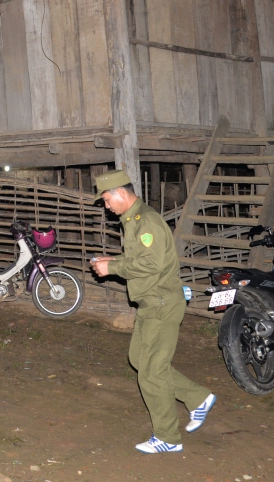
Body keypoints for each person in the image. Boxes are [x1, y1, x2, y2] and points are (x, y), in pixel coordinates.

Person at [90, 169, 214, 454]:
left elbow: (153, 265)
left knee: (151, 373)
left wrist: (113, 268)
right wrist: (114, 259)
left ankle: (168, 437)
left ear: (121, 192)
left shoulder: (146, 221)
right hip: (152, 303)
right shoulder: (134, 219)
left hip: (161, 303)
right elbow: (141, 257)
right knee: (138, 359)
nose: (106, 206)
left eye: (107, 199)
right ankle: (197, 397)